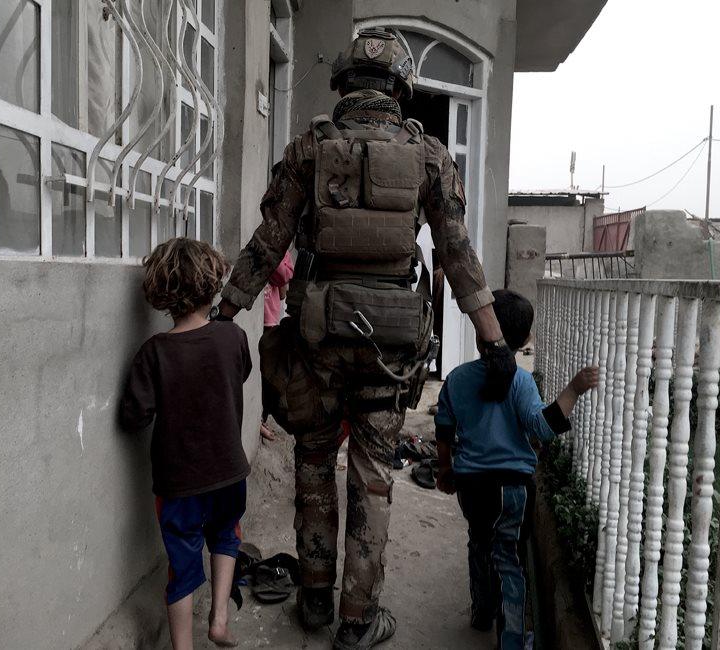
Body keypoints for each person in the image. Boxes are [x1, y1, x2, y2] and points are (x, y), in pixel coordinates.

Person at [212, 28, 517, 650]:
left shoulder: (308, 151)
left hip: (318, 341)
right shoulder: (429, 156)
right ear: (400, 88)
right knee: (373, 476)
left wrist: (224, 314)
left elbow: (266, 245)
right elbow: (459, 255)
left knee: (314, 462)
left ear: (345, 84)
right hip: (391, 347)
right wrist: (493, 340)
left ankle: (317, 601)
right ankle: (358, 620)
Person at [433, 289, 599, 649]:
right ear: (524, 340)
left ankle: (481, 612)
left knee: (479, 543)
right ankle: (510, 639)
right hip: (514, 491)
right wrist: (573, 389)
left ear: (480, 334)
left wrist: (445, 469)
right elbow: (541, 428)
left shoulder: (458, 379)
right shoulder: (521, 382)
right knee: (509, 559)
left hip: (471, 486)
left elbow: (444, 428)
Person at [119, 237, 252, 650]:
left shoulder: (153, 353)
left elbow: (133, 417)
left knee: (182, 564)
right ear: (212, 284)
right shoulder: (233, 339)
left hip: (178, 483)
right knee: (227, 535)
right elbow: (240, 374)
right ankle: (219, 620)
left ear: (161, 293)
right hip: (230, 471)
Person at [260, 251, 295, 441]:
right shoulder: (265, 245)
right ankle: (260, 418)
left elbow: (285, 277)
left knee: (269, 374)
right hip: (261, 315)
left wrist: (275, 255)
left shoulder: (283, 250)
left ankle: (264, 415)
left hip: (271, 317)